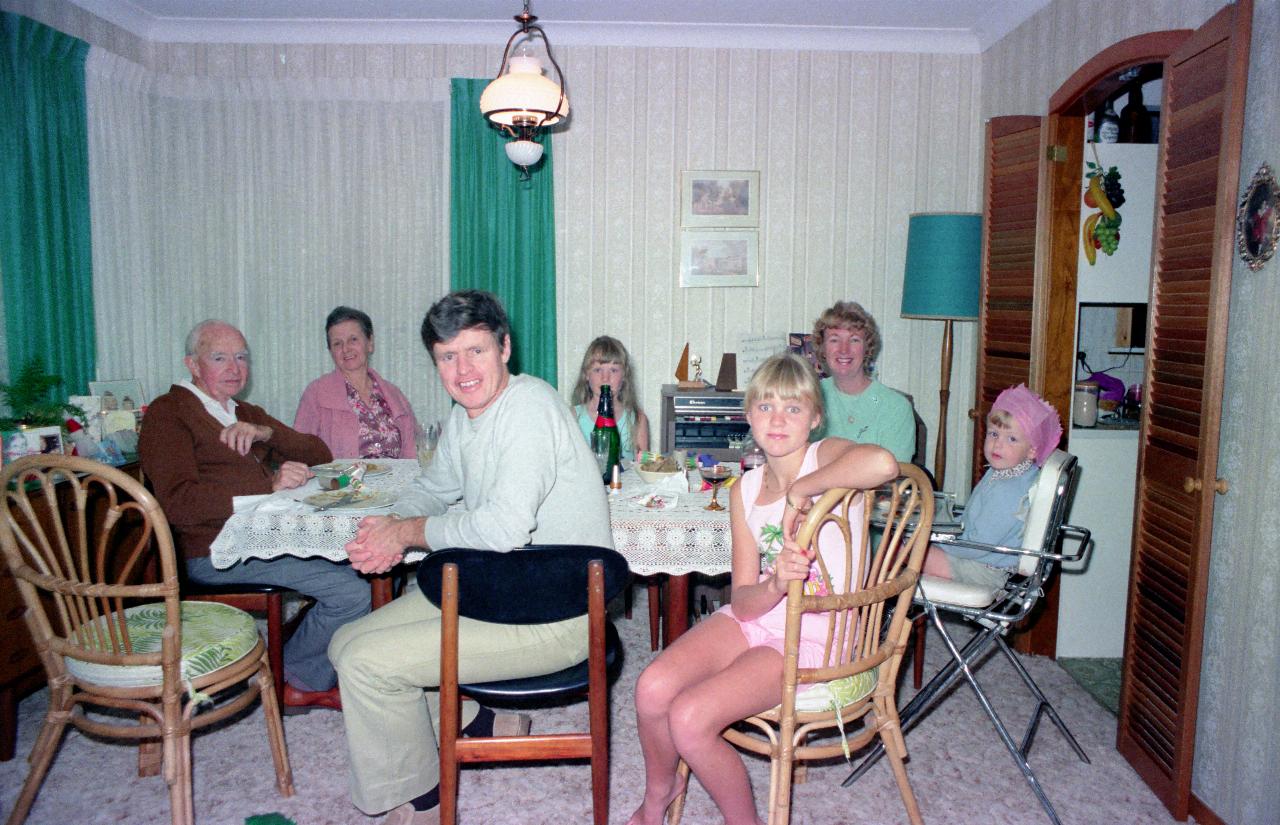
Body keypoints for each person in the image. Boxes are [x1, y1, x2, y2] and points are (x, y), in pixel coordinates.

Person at [327, 291, 613, 825]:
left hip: (559, 612)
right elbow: (433, 489)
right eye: (447, 357)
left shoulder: (529, 408)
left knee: (369, 664)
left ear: (505, 348)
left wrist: (407, 534)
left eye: (476, 351)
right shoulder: (466, 415)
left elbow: (502, 529)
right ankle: (477, 721)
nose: (463, 370)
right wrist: (390, 525)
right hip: (501, 589)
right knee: (345, 642)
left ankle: (416, 797)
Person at [626, 353, 898, 825]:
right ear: (748, 414)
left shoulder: (826, 455)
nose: (778, 419)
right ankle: (659, 793)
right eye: (766, 406)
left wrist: (803, 489)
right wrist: (776, 582)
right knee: (651, 689)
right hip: (758, 617)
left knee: (690, 719)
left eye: (793, 409)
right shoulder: (744, 489)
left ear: (815, 418)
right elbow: (743, 598)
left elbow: (882, 462)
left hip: (818, 631)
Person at [139, 319, 371, 711]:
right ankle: (290, 680)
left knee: (362, 565)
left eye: (241, 357)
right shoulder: (170, 413)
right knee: (352, 592)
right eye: (219, 358)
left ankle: (308, 664)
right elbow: (178, 502)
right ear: (193, 364)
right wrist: (269, 484)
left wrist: (266, 433)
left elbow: (320, 454)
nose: (234, 367)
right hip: (214, 553)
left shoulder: (240, 410)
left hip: (263, 538)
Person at [923, 384, 1063, 590]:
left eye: (1011, 439)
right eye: (994, 434)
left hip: (986, 571)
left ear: (1033, 450)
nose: (998, 445)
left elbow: (975, 545)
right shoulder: (1006, 472)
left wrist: (930, 537)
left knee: (902, 551)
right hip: (982, 558)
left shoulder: (1009, 491)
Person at [293, 305, 420, 459]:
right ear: (331, 351)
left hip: (397, 481)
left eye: (353, 339)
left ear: (370, 343)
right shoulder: (316, 393)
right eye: (337, 343)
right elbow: (299, 452)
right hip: (342, 483)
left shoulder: (394, 394)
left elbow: (415, 449)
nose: (346, 349)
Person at [809, 300, 916, 462]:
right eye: (834, 340)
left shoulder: (896, 408)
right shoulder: (809, 397)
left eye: (854, 340)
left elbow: (895, 478)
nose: (844, 349)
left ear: (867, 348)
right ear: (822, 348)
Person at [570, 335, 650, 456]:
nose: (605, 378)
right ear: (586, 374)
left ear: (624, 376)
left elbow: (643, 467)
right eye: (597, 370)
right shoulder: (573, 417)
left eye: (613, 370)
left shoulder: (638, 419)